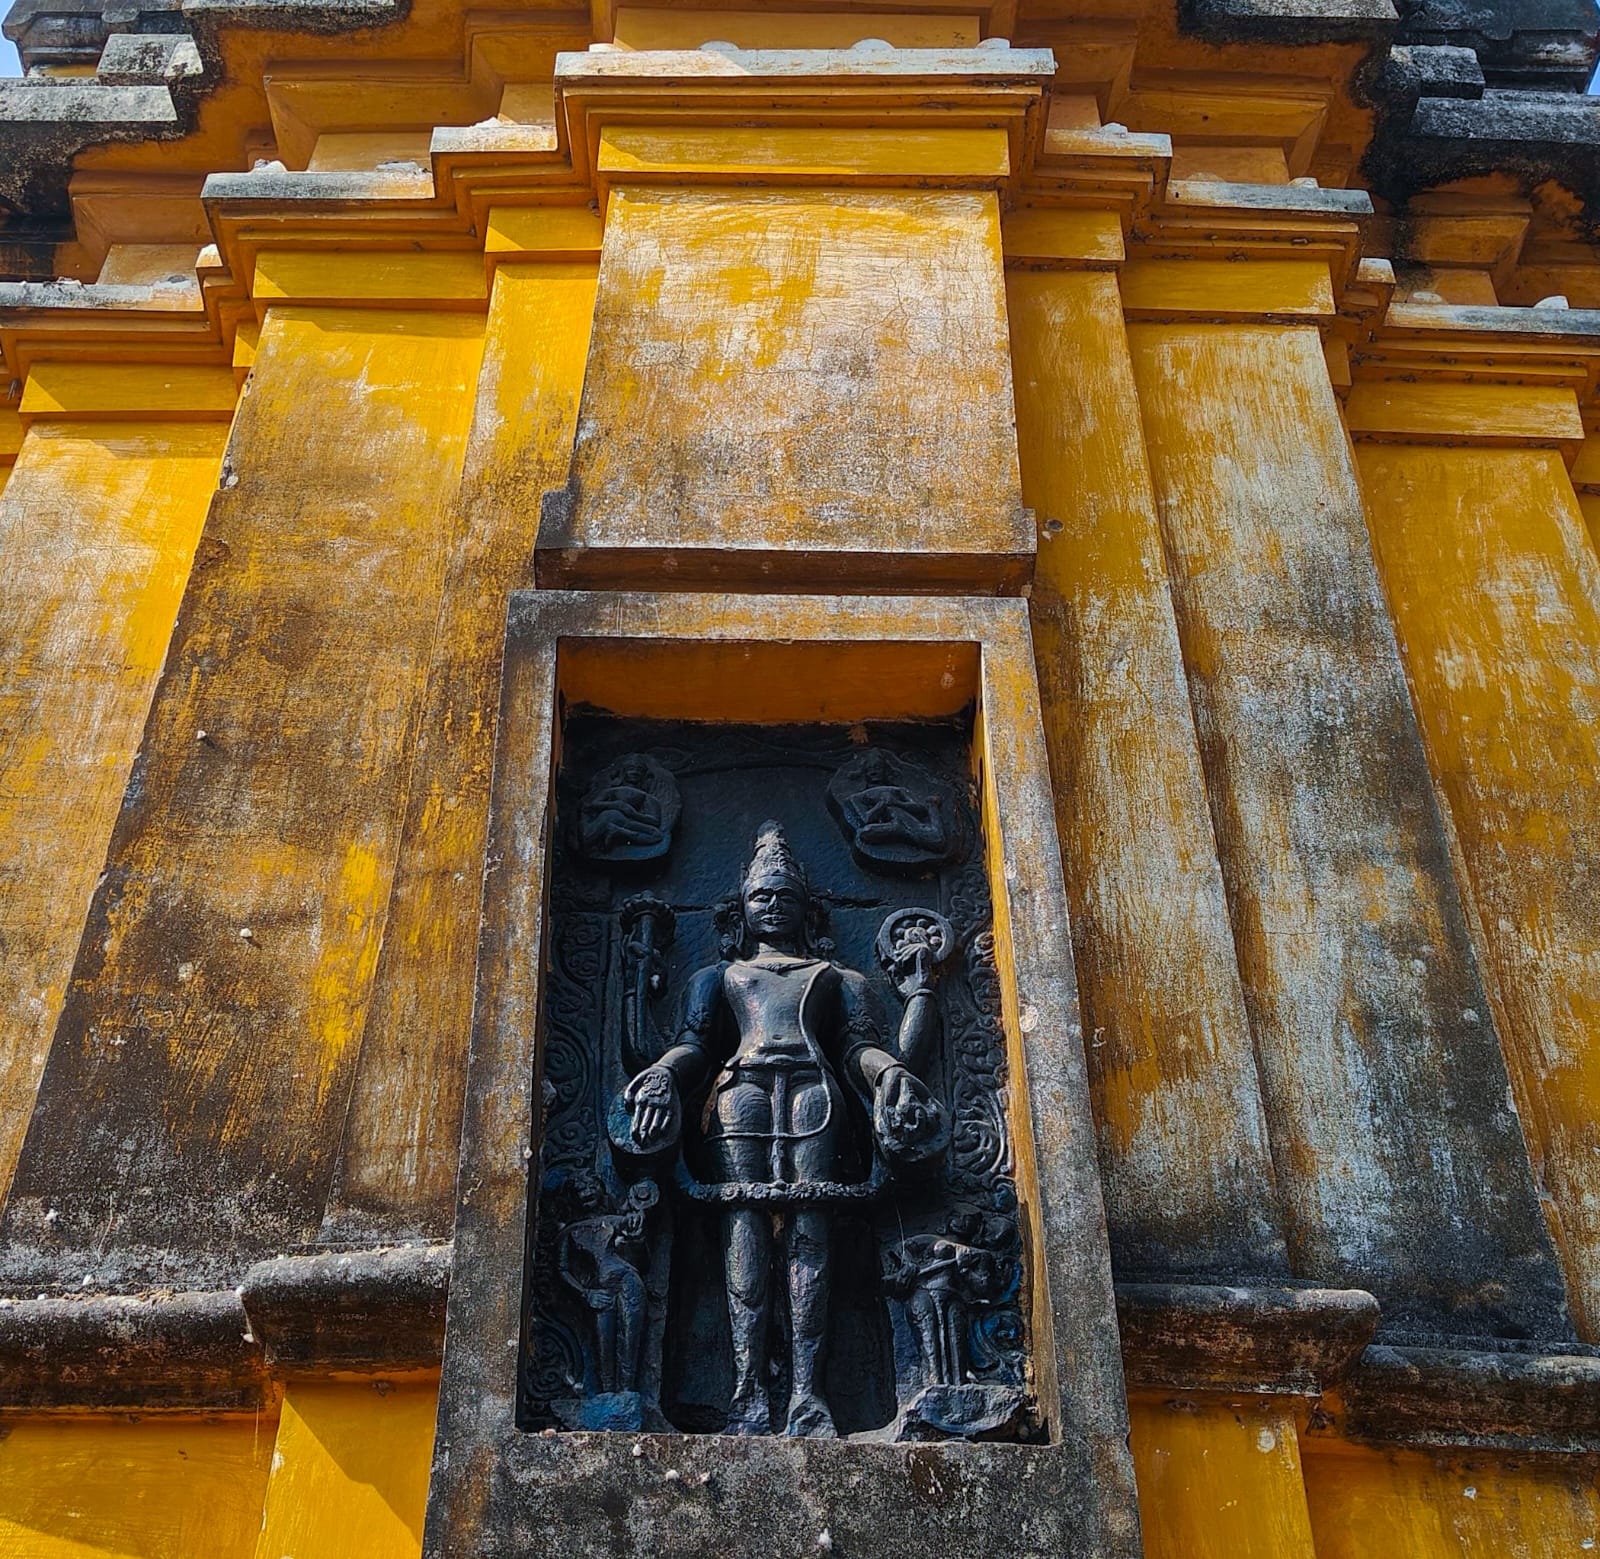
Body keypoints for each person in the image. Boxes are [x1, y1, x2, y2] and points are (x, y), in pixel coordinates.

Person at [623, 822, 944, 1436]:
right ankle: (745, 1392)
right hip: (739, 1094)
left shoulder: (835, 979)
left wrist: (891, 1075)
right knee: (742, 1230)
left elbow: (859, 1050)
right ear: (741, 907)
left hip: (813, 1093)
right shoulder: (719, 978)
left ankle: (807, 1393)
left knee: (809, 1233)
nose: (771, 907)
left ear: (806, 908)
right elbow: (693, 1045)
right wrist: (665, 1072)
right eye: (760, 897)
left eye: (783, 897)